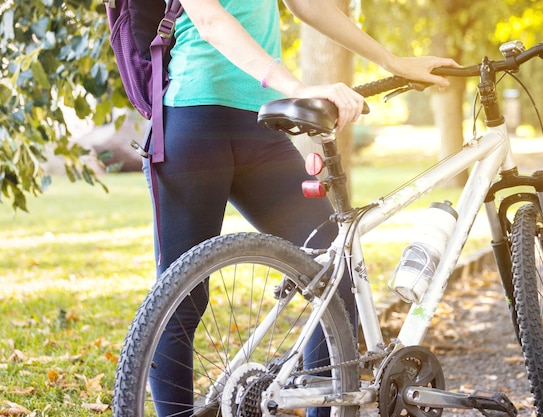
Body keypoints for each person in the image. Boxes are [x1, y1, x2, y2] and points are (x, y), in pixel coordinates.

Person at [143, 0, 459, 416]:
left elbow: (308, 4)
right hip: (192, 122)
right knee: (180, 299)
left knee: (331, 268)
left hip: (258, 127)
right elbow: (209, 20)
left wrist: (392, 61)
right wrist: (298, 88)